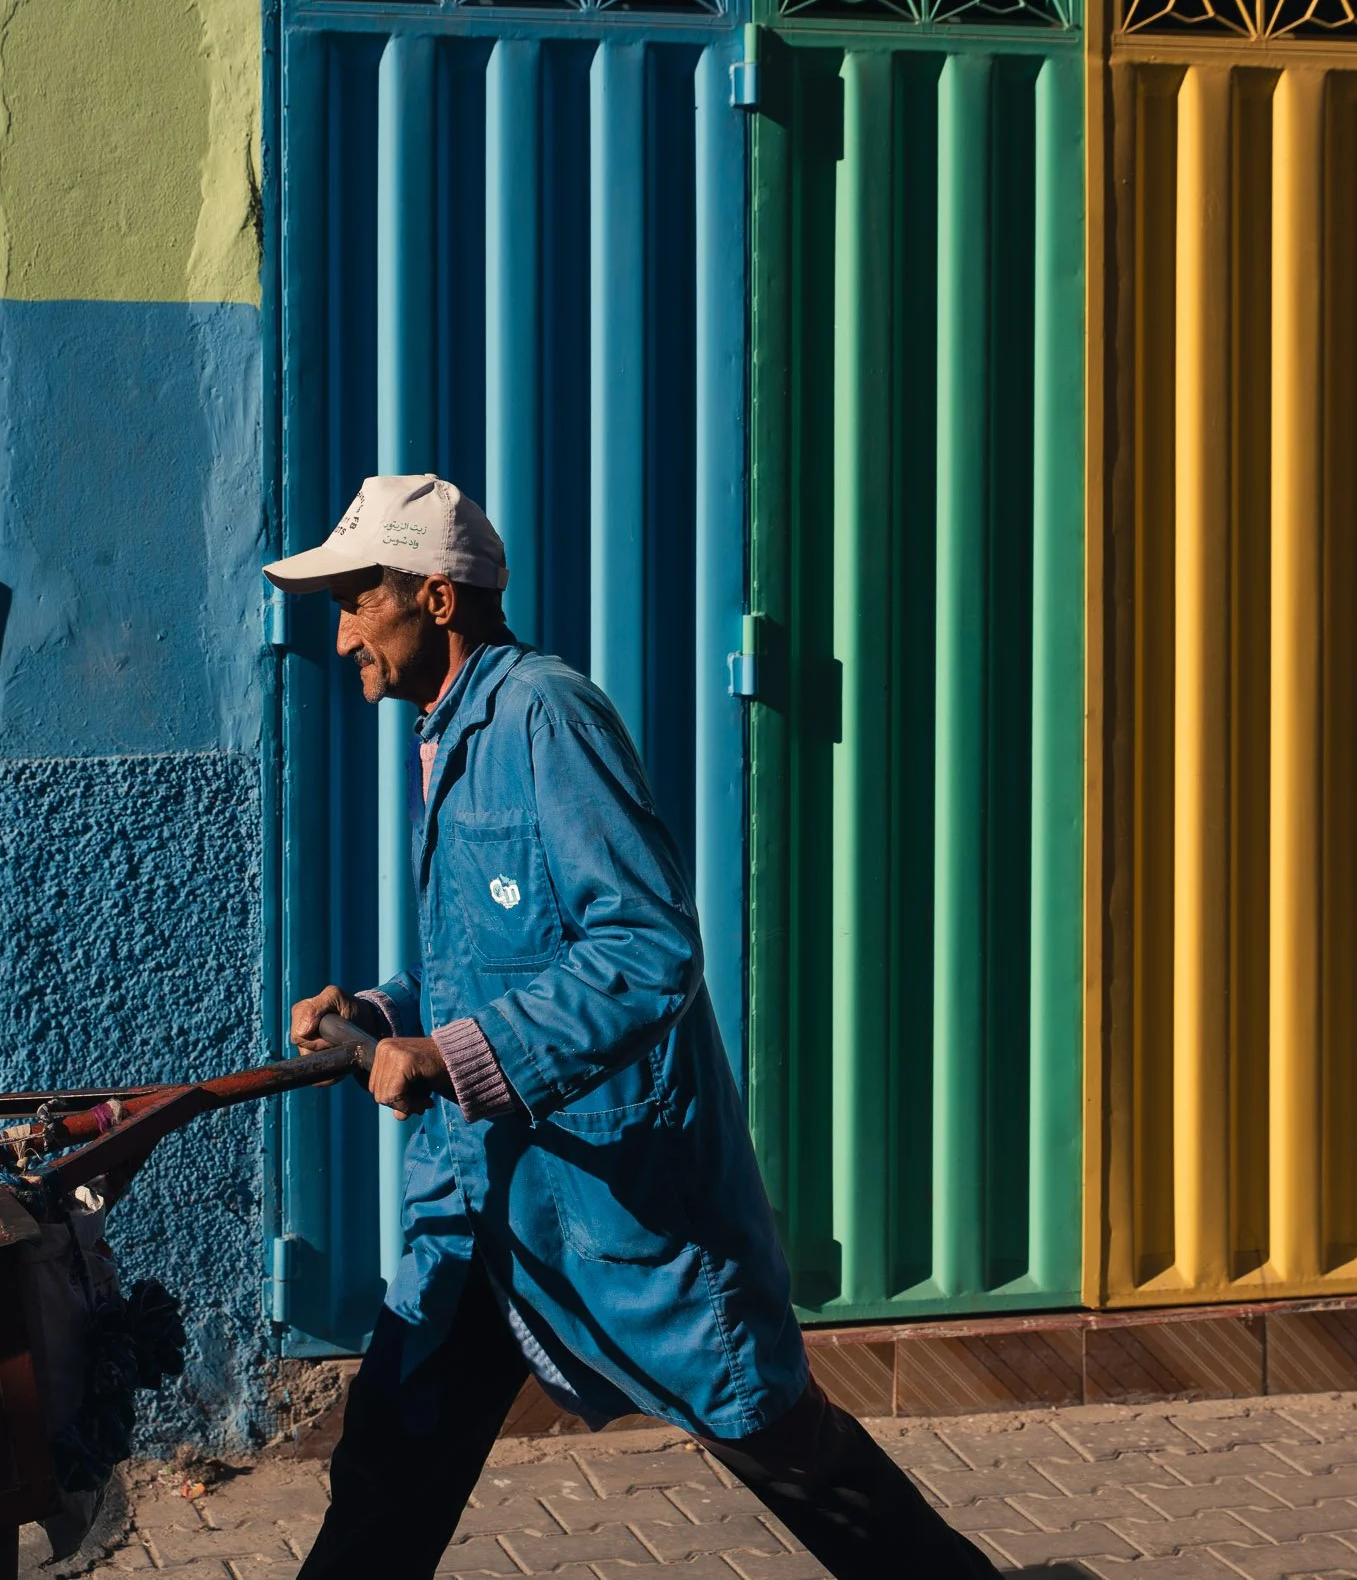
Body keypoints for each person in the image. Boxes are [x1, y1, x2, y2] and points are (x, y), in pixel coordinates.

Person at [268, 474, 999, 1580]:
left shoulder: (543, 714)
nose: (340, 640)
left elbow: (647, 946)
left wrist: (452, 1053)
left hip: (608, 1193)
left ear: (438, 597)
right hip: (479, 1193)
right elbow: (491, 959)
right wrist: (378, 1013)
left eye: (357, 603)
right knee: (389, 1456)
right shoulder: (447, 735)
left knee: (778, 1441)